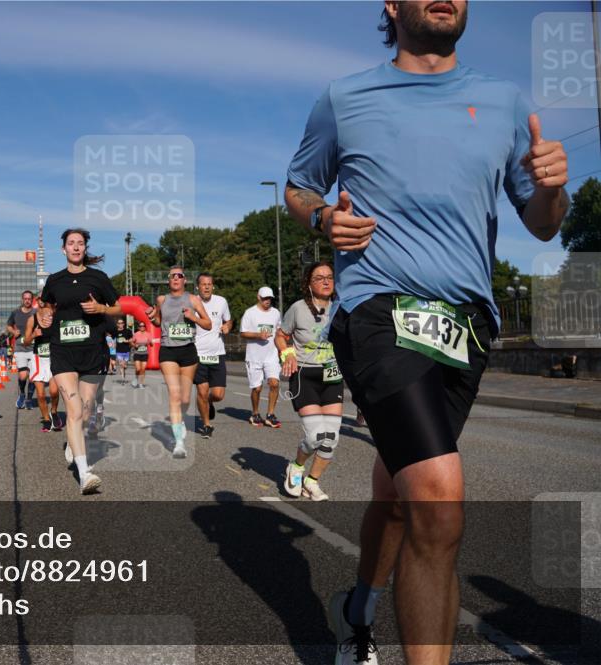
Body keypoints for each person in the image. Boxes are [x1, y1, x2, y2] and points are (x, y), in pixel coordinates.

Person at [285, 2, 569, 663]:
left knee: (398, 489)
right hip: (378, 308)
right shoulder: (346, 97)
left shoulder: (503, 103)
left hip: (466, 324)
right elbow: (299, 189)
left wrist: (554, 188)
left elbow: (542, 222)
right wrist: (323, 218)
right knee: (439, 497)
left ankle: (357, 609)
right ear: (391, 5)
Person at [41, 228, 120, 495]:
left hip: (92, 352)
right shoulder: (55, 280)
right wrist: (44, 316)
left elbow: (119, 307)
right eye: (71, 243)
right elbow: (46, 307)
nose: (76, 247)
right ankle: (85, 474)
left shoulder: (98, 278)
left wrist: (101, 309)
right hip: (62, 351)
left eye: (80, 243)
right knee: (73, 411)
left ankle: (72, 445)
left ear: (85, 248)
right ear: (63, 249)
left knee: (85, 414)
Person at [276, 262, 343, 502]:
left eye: (329, 277)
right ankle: (296, 466)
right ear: (309, 284)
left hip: (333, 377)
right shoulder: (297, 309)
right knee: (315, 435)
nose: (326, 281)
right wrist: (288, 353)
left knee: (331, 438)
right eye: (319, 278)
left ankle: (312, 482)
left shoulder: (341, 308)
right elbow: (281, 336)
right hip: (305, 376)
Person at [145, 266, 211, 458]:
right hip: (168, 351)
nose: (176, 278)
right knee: (174, 395)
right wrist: (153, 316)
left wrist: (193, 318)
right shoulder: (161, 300)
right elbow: (158, 321)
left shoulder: (193, 299)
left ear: (184, 280)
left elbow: (208, 323)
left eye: (179, 275)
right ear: (168, 281)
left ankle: (179, 421)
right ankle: (179, 443)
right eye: (172, 276)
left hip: (188, 350)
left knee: (184, 399)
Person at [192, 273, 232, 438]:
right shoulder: (191, 303)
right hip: (198, 354)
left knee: (217, 395)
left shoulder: (221, 301)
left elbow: (228, 320)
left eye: (209, 284)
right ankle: (206, 424)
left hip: (217, 354)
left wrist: (227, 326)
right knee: (201, 391)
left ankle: (208, 402)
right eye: (203, 284)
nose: (207, 287)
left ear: (212, 286)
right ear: (197, 287)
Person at [240, 286, 283, 428]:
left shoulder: (276, 313)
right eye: (265, 298)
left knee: (274, 384)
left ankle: (270, 414)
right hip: (254, 357)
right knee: (257, 388)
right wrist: (258, 335)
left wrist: (284, 349)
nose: (267, 301)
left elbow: (279, 332)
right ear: (259, 297)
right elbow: (243, 333)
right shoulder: (250, 313)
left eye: (270, 298)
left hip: (271, 356)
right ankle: (255, 413)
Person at [24, 297, 63, 433]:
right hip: (38, 359)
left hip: (54, 357)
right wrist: (34, 334)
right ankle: (46, 419)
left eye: (44, 298)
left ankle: (54, 411)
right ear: (37, 301)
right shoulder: (32, 319)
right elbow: (26, 342)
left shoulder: (55, 315)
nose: (42, 301)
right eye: (39, 298)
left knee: (53, 391)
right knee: (40, 394)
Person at [7, 291, 38, 409]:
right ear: (22, 299)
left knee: (33, 377)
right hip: (20, 348)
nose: (27, 301)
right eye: (25, 298)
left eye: (29, 299)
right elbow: (9, 325)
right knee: (23, 375)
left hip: (34, 348)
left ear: (32, 300)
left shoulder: (36, 313)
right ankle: (22, 394)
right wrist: (14, 331)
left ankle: (29, 398)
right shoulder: (15, 312)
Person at [130, 321, 152, 388]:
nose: (142, 327)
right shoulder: (136, 334)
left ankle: (141, 383)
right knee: (138, 369)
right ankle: (136, 379)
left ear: (145, 327)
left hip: (145, 353)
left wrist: (150, 342)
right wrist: (134, 345)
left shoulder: (148, 334)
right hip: (137, 353)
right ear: (139, 327)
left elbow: (151, 344)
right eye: (140, 326)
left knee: (143, 369)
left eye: (143, 326)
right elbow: (131, 342)